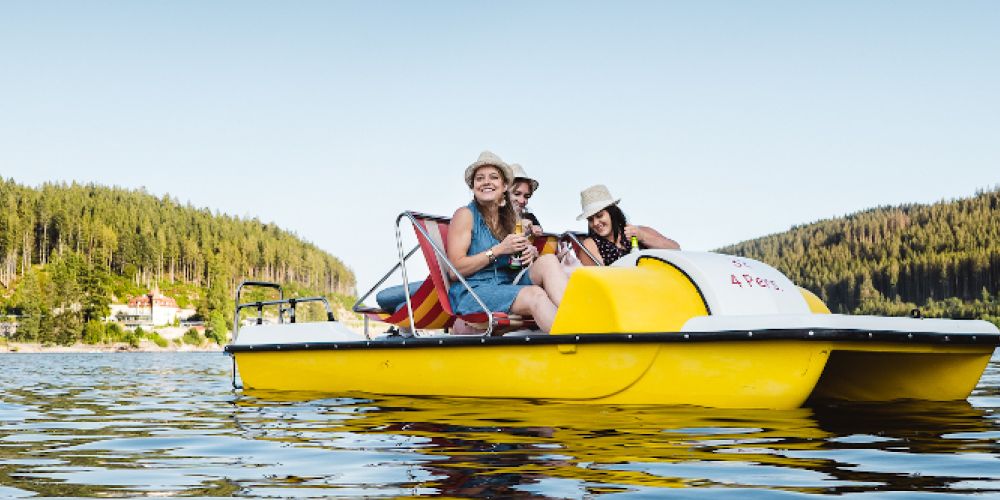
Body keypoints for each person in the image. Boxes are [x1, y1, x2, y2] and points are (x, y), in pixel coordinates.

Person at [447, 151, 568, 333]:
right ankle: (575, 339)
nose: (486, 182)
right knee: (535, 295)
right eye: (480, 178)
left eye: (493, 177)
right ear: (473, 187)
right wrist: (499, 250)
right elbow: (454, 271)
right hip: (475, 291)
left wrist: (527, 255)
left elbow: (513, 265)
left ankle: (579, 319)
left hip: (506, 284)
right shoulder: (465, 215)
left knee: (548, 261)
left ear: (504, 186)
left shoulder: (509, 219)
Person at [576, 184, 680, 266]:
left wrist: (642, 237)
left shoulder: (638, 231)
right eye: (590, 219)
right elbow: (600, 279)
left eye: (599, 216)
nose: (595, 223)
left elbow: (675, 249)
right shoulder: (591, 244)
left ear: (612, 213)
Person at [508, 163, 543, 236]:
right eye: (517, 194)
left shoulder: (530, 217)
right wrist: (518, 226)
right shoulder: (491, 217)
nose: (522, 201)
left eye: (526, 196)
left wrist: (537, 230)